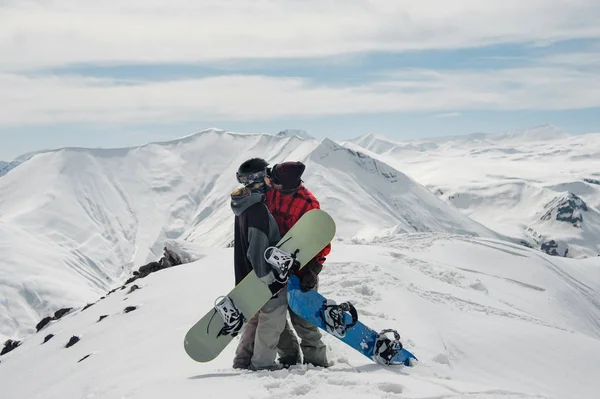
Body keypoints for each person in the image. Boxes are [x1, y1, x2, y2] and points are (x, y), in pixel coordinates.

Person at [265, 161, 332, 368]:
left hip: (301, 271)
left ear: (288, 184)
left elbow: (322, 242)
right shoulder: (272, 192)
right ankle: (289, 358)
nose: (271, 184)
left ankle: (317, 364)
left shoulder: (309, 204)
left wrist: (312, 271)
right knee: (275, 320)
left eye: (275, 182)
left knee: (303, 320)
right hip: (274, 266)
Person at [230, 158, 289, 371]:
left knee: (254, 320)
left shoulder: (243, 206)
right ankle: (262, 365)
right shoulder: (257, 210)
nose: (269, 177)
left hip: (247, 277)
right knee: (271, 320)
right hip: (263, 279)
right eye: (266, 173)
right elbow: (257, 250)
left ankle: (243, 361)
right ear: (258, 179)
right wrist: (270, 283)